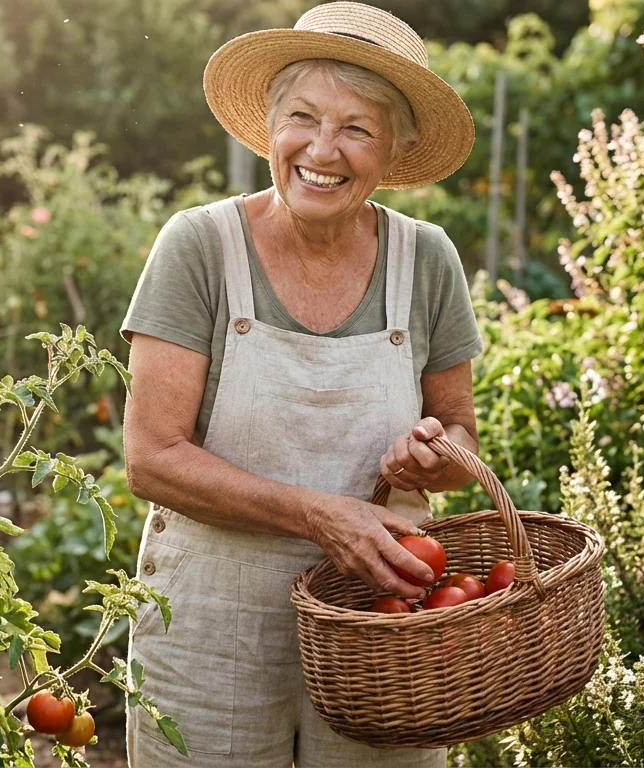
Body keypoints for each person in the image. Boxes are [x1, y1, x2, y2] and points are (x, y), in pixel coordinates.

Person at [119, 2, 480, 765]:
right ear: (269, 127)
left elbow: (460, 436)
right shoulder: (200, 247)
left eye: (357, 128)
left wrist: (431, 454)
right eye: (302, 116)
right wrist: (323, 517)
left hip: (381, 628)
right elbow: (152, 457)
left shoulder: (427, 260)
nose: (323, 148)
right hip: (212, 628)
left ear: (392, 153)